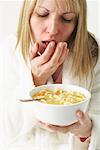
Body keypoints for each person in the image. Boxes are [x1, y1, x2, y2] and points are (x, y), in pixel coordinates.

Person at [0, 0, 100, 149]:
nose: (53, 30)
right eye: (42, 14)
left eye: (67, 18)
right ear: (28, 15)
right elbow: (5, 128)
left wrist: (87, 130)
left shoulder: (93, 53)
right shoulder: (10, 50)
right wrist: (34, 80)